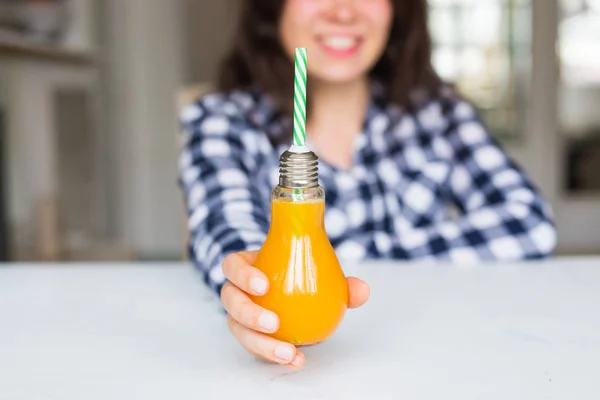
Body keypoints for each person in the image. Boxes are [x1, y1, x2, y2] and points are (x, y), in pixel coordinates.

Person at [178, 0, 557, 369]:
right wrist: (249, 283)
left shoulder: (437, 114)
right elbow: (225, 228)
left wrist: (354, 257)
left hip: (428, 355)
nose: (344, 11)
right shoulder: (222, 121)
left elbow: (528, 220)